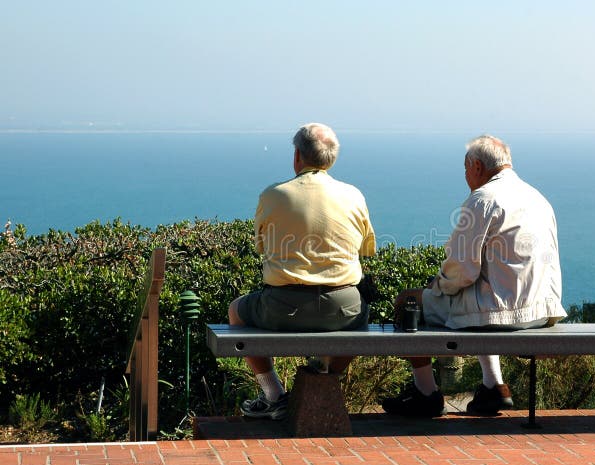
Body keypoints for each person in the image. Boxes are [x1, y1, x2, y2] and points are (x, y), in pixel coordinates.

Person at [382, 135, 566, 417]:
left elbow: (461, 271)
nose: (466, 175)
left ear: (477, 166)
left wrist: (436, 286)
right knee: (483, 295)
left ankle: (426, 393)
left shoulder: (482, 200)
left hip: (499, 313)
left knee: (410, 302)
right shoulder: (539, 199)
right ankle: (494, 386)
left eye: (466, 169)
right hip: (541, 311)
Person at [229, 123, 376, 420]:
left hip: (281, 308)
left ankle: (273, 395)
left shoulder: (274, 195)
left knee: (236, 311)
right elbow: (366, 249)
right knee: (362, 320)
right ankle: (325, 378)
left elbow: (261, 246)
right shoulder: (353, 195)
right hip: (344, 308)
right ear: (331, 158)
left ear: (297, 156)